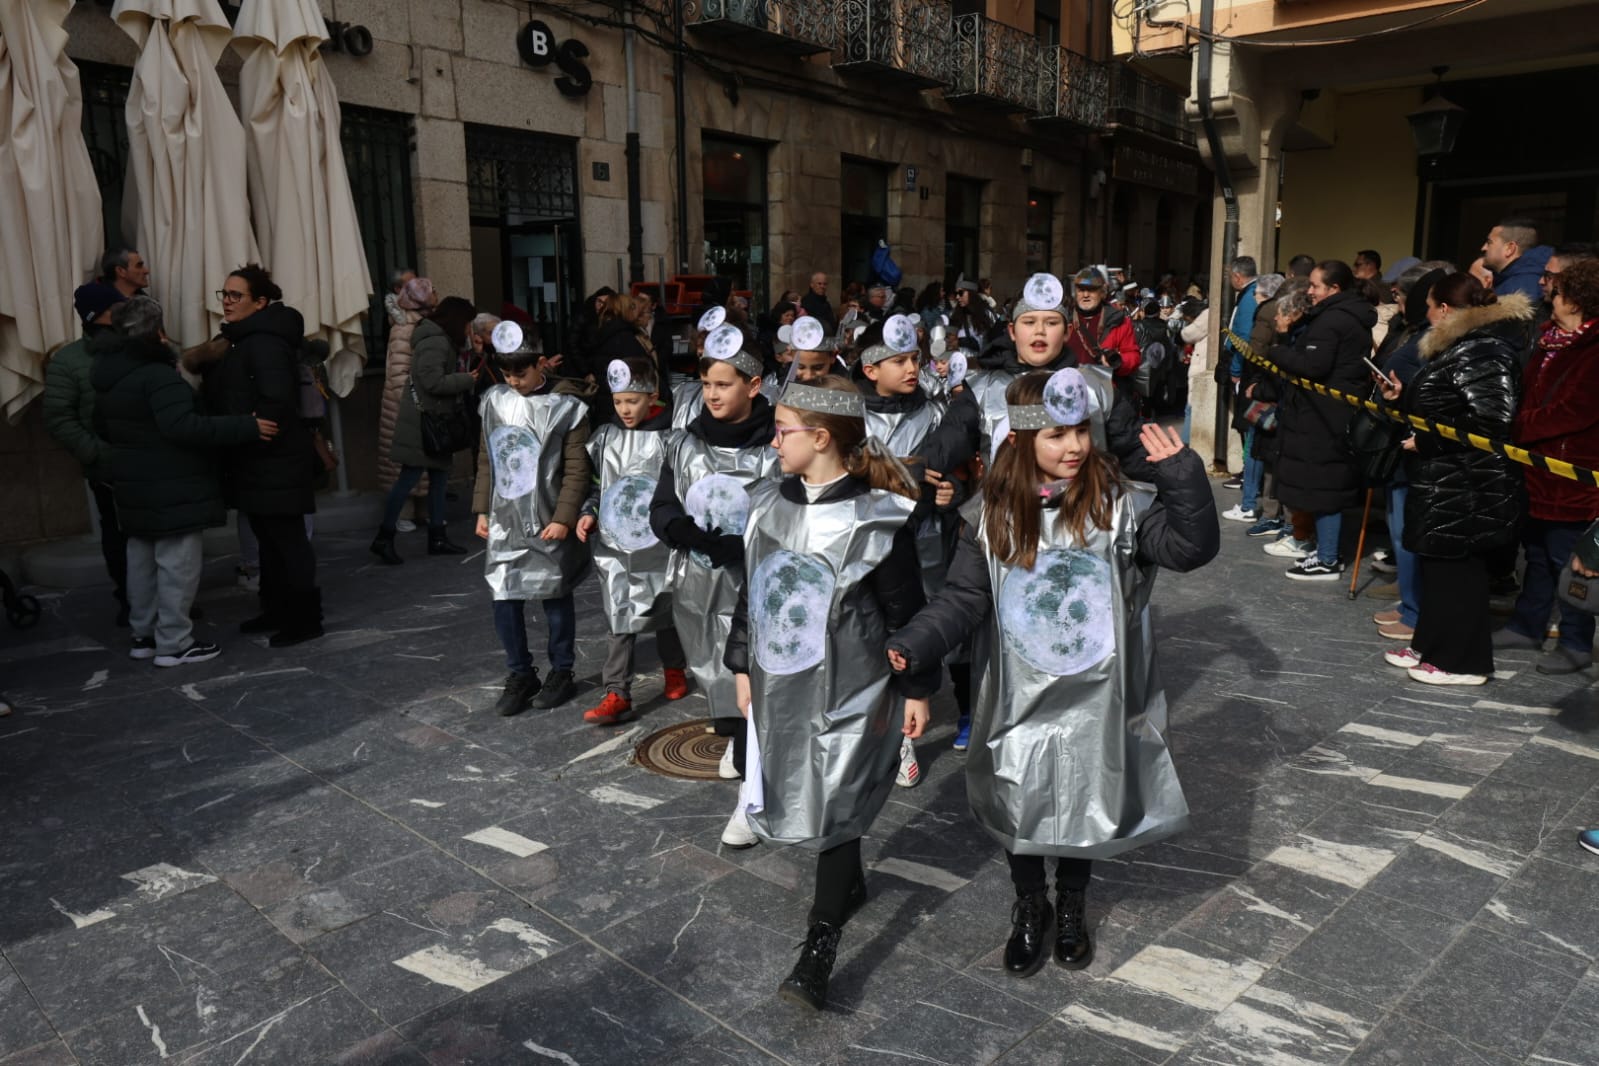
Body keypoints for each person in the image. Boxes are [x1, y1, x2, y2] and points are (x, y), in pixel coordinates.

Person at [887, 368, 1219, 978]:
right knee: (1021, 799)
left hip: (1096, 693)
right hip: (1018, 693)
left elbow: (1188, 550)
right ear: (1019, 441)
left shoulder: (1117, 505)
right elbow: (964, 597)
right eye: (1055, 435)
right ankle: (1028, 903)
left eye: (1079, 432)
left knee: (1081, 799)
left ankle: (1071, 901)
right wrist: (915, 642)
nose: (1073, 447)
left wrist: (1182, 478)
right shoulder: (988, 515)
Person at [724, 375, 934, 1010]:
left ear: (819, 439)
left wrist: (918, 687)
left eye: (782, 430)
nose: (772, 440)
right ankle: (850, 884)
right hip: (782, 684)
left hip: (854, 688)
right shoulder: (766, 502)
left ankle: (819, 946)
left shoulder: (875, 517)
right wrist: (741, 665)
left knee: (837, 803)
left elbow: (907, 611)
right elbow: (750, 593)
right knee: (805, 792)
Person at [649, 324, 779, 846]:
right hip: (699, 585)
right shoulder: (683, 443)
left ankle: (752, 794)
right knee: (717, 678)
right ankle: (734, 738)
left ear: (753, 384)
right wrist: (682, 531)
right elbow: (663, 504)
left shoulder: (775, 443)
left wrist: (744, 545)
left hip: (756, 587)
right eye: (706, 385)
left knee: (757, 683)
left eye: (724, 384)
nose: (713, 395)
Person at [93, 297, 275, 665]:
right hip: (171, 484)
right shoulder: (158, 375)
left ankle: (143, 635)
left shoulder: (110, 374)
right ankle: (175, 642)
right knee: (177, 564)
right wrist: (247, 425)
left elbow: (102, 426)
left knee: (141, 562)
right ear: (157, 331)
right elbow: (183, 426)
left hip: (134, 483)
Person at [1377, 273, 1525, 685]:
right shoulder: (1463, 346)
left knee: (1459, 572)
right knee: (1439, 568)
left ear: (1445, 309)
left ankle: (1463, 662)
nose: (1424, 315)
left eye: (1428, 306)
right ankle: (1432, 644)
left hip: (1469, 481)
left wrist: (1426, 443)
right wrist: (1401, 397)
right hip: (1448, 478)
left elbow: (1492, 419)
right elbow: (1444, 404)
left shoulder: (1484, 350)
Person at [196, 265, 323, 646]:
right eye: (225, 294)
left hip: (276, 457)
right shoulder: (239, 340)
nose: (228, 302)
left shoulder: (264, 341)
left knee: (287, 542)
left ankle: (305, 619)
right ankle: (276, 609)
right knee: (268, 541)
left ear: (261, 302)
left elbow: (275, 398)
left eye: (236, 295)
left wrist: (256, 425)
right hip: (255, 457)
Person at [855, 314, 955, 782]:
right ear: (871, 368)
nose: (911, 367)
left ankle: (905, 737)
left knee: (916, 630)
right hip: (866, 546)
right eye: (898, 360)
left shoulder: (935, 412)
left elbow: (953, 467)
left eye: (914, 357)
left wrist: (951, 485)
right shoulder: (851, 414)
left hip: (923, 541)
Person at [475, 323, 594, 716]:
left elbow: (577, 469)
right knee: (504, 592)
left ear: (540, 364)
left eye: (521, 374)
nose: (514, 382)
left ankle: (562, 669)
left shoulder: (568, 407)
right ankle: (520, 671)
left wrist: (564, 516)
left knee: (553, 591)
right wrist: (482, 509)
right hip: (506, 517)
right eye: (507, 375)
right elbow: (488, 458)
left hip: (547, 515)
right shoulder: (494, 401)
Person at [1493, 257, 1599, 674]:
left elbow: (1576, 410)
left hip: (1574, 475)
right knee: (1536, 553)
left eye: (1557, 293)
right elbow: (1533, 395)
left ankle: (1575, 642)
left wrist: (1517, 427)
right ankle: (1527, 625)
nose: (1549, 299)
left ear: (1577, 300)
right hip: (1538, 469)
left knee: (1569, 560)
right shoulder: (1551, 339)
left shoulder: (1593, 349)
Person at [576, 357, 691, 724]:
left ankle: (674, 668)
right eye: (619, 402)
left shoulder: (670, 438)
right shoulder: (606, 438)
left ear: (652, 397)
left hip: (658, 541)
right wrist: (589, 511)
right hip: (617, 545)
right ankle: (616, 691)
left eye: (633, 401)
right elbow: (598, 484)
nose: (625, 410)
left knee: (664, 609)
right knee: (619, 613)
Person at [1268, 260, 1375, 580]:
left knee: (1325, 488)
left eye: (1315, 286)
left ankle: (1328, 558)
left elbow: (1313, 365)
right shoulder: (1340, 317)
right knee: (1321, 485)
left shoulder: (1334, 321)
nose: (1309, 292)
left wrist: (1279, 347)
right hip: (1325, 412)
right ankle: (1324, 550)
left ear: (1334, 289)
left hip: (1325, 415)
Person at [44, 277, 132, 625]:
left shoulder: (139, 346)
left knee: (159, 536)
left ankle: (166, 599)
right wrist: (98, 454)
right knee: (118, 537)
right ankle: (129, 599)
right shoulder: (68, 361)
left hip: (151, 464)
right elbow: (58, 418)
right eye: (117, 306)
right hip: (108, 469)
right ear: (101, 314)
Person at [371, 297, 481, 564]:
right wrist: (466, 380)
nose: (469, 329)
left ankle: (437, 536)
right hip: (424, 423)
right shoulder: (435, 340)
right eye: (468, 323)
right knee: (408, 479)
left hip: (434, 421)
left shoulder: (441, 338)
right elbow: (432, 381)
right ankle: (384, 537)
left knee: (439, 481)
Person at [379, 277, 437, 531]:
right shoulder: (404, 328)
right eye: (431, 291)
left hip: (416, 404)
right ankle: (402, 516)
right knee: (405, 465)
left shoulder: (422, 323)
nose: (436, 294)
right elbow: (399, 372)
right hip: (404, 407)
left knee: (421, 463)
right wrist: (416, 399)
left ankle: (423, 513)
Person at [1064, 268, 1142, 391]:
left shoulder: (1119, 321)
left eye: (1091, 290)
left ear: (1102, 292)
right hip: (1069, 391)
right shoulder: (1063, 320)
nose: (1085, 295)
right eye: (1081, 290)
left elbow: (1133, 356)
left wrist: (1118, 362)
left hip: (1106, 394)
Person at [1481, 218, 1553, 302]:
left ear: (1510, 248)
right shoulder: (1522, 279)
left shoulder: (1518, 290)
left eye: (1489, 242)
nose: (1483, 248)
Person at [801, 272, 837, 336]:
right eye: (819, 284)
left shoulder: (825, 302)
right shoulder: (807, 301)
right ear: (812, 285)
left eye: (825, 284)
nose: (822, 286)